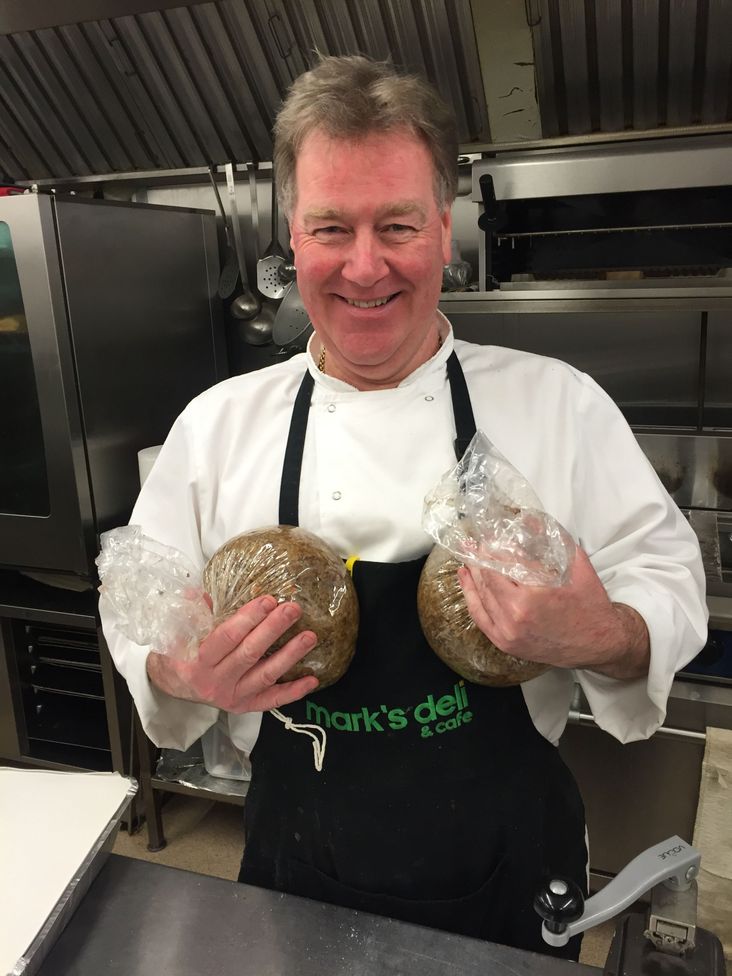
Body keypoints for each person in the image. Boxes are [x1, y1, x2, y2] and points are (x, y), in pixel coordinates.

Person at [101, 54, 707, 959]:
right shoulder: (218, 427)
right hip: (298, 864)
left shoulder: (559, 405)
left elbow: (670, 582)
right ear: (291, 237)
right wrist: (185, 673)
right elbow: (138, 619)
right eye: (330, 228)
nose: (365, 265)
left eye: (397, 225)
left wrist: (603, 632)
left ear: (444, 228)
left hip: (507, 862)